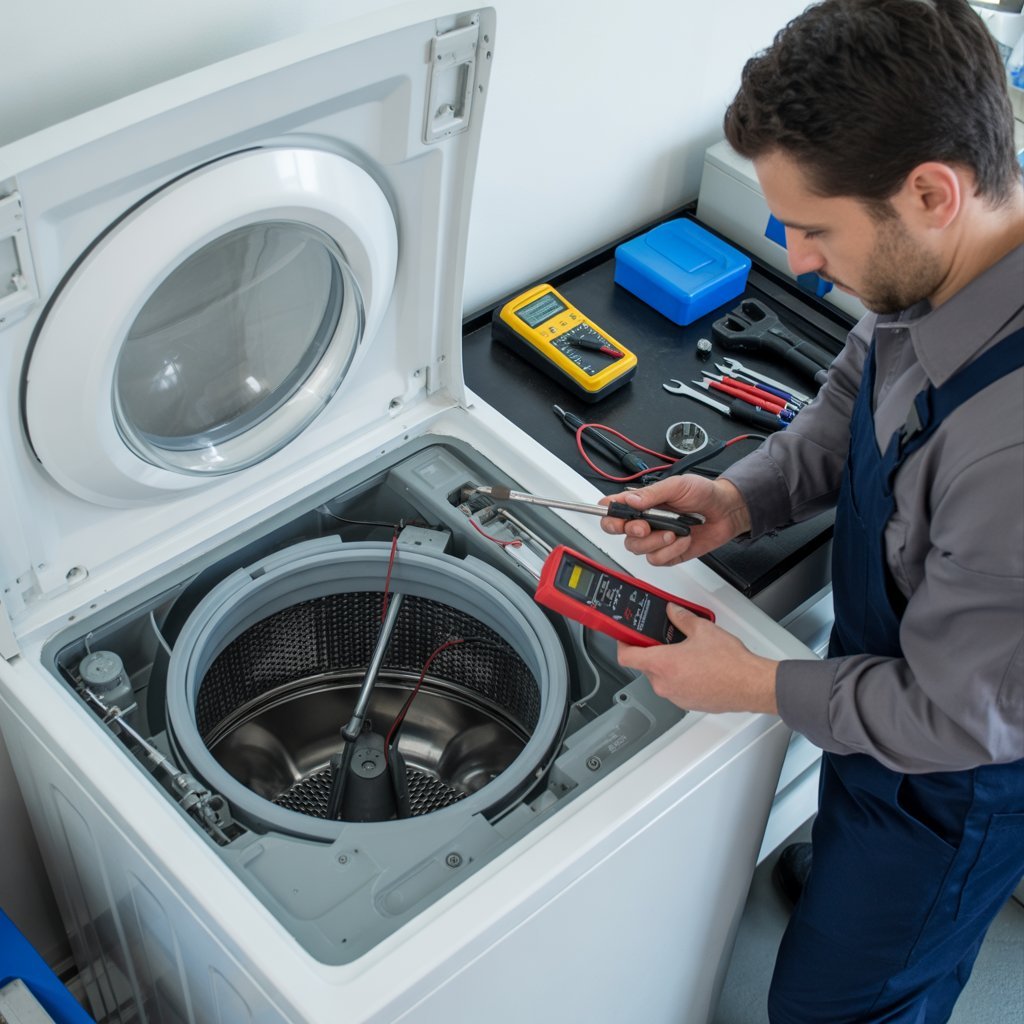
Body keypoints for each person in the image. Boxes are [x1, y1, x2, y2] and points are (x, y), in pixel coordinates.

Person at [600, 1, 1024, 1021]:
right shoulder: (936, 264)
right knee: (848, 887)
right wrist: (740, 497)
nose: (793, 259)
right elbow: (850, 397)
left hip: (949, 782)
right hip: (887, 719)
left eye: (813, 228)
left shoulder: (1011, 453)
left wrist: (753, 683)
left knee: (844, 1002)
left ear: (931, 192)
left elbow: (944, 714)